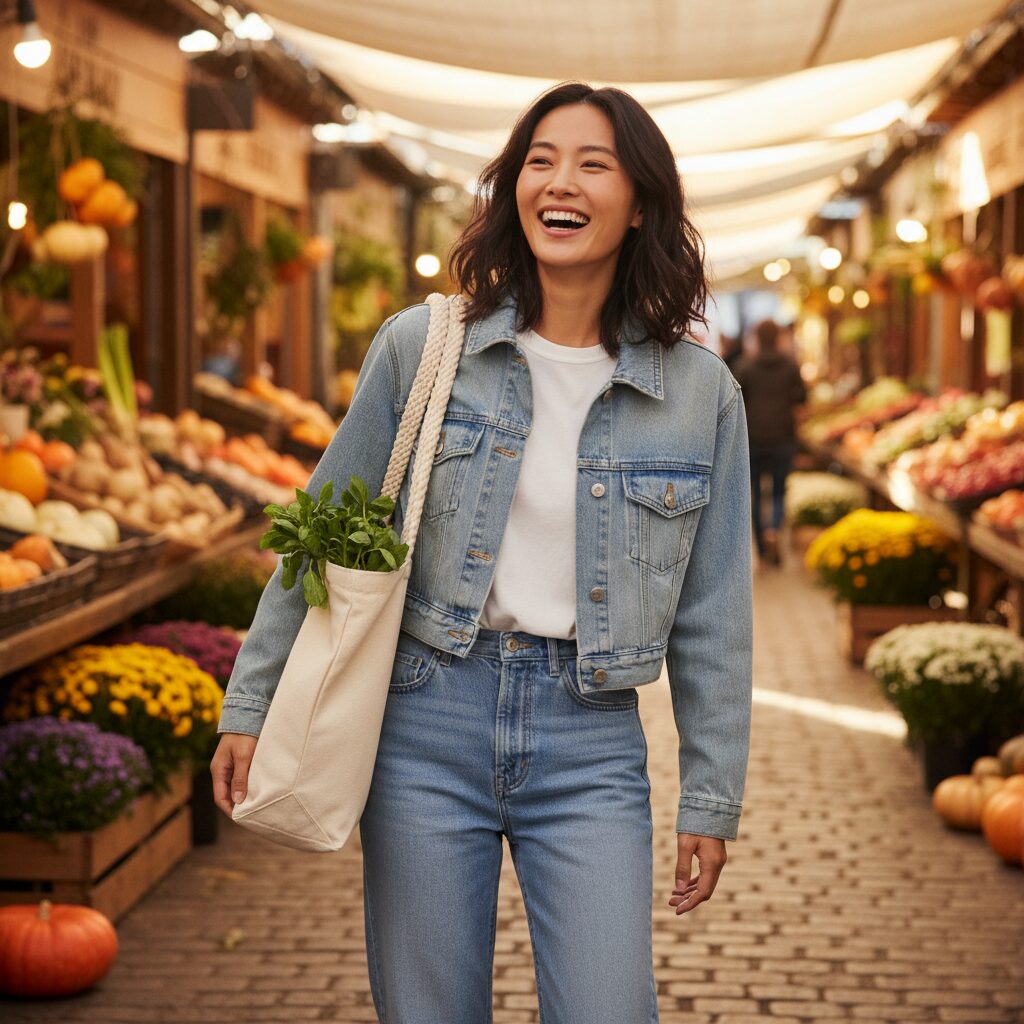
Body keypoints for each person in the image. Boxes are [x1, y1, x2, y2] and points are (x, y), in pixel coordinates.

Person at [211, 81, 753, 1024]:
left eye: (592, 164)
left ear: (639, 204)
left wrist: (710, 796)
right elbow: (321, 529)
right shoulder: (424, 348)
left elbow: (715, 614)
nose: (560, 181)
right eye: (540, 161)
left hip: (591, 738)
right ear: (514, 189)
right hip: (426, 720)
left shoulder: (700, 393)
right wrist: (251, 701)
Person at [733, 318, 806, 566]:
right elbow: (802, 397)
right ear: (777, 337)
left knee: (754, 493)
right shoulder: (790, 366)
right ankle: (774, 527)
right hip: (782, 436)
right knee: (778, 491)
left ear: (757, 338)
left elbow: (736, 401)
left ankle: (763, 550)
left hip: (752, 438)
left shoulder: (745, 366)